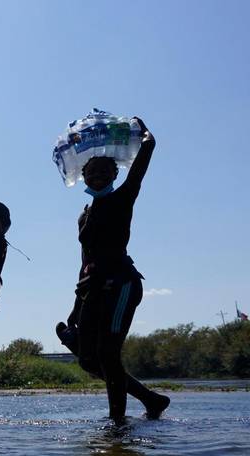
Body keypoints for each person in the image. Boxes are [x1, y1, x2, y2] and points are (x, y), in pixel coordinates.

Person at [56, 118, 170, 426]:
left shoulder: (122, 198)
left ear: (114, 174)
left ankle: (117, 424)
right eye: (92, 172)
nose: (98, 176)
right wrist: (76, 306)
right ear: (84, 177)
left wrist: (146, 135)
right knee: (89, 360)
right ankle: (151, 399)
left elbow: (144, 158)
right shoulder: (84, 216)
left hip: (121, 284)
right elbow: (85, 263)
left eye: (104, 171)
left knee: (108, 354)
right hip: (94, 288)